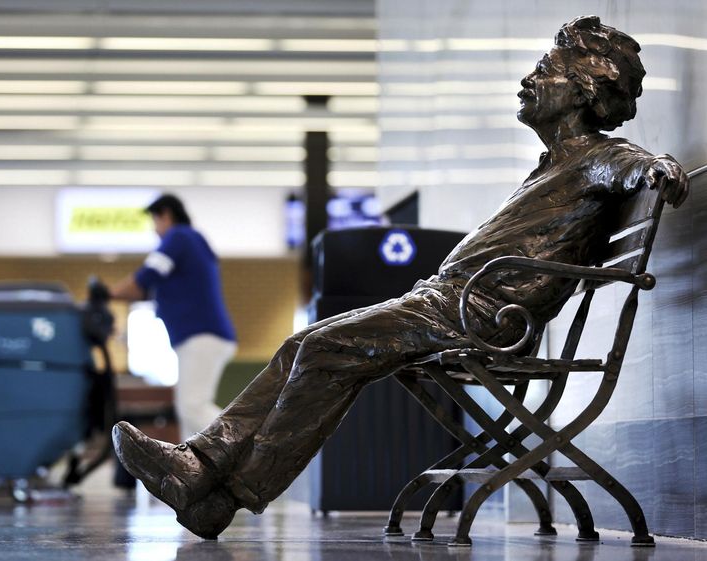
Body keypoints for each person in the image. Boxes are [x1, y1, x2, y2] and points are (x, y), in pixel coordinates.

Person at [111, 16, 689, 540]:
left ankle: (226, 490)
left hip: (477, 318)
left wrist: (658, 169)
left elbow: (632, 165)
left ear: (583, 90)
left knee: (322, 348)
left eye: (544, 71)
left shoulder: (595, 158)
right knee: (301, 346)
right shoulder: (555, 166)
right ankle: (204, 469)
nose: (527, 81)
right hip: (448, 305)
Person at [110, 194, 237, 441]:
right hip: (202, 336)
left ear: (166, 215)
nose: (155, 231)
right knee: (188, 409)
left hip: (201, 335)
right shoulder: (192, 242)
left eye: (155, 222)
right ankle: (196, 471)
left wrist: (108, 293)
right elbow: (147, 287)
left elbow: (144, 279)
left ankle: (243, 449)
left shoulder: (179, 236)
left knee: (192, 406)